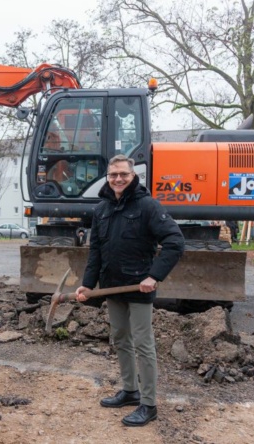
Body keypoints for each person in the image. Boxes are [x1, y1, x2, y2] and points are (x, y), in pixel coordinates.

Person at [75, 155, 184, 427]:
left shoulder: (147, 206)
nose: (118, 179)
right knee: (121, 339)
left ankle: (149, 404)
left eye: (123, 174)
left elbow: (175, 241)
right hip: (112, 287)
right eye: (113, 175)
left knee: (143, 344)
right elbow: (96, 251)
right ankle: (130, 391)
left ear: (133, 176)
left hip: (138, 286)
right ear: (107, 177)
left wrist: (154, 275)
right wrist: (88, 284)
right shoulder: (101, 209)